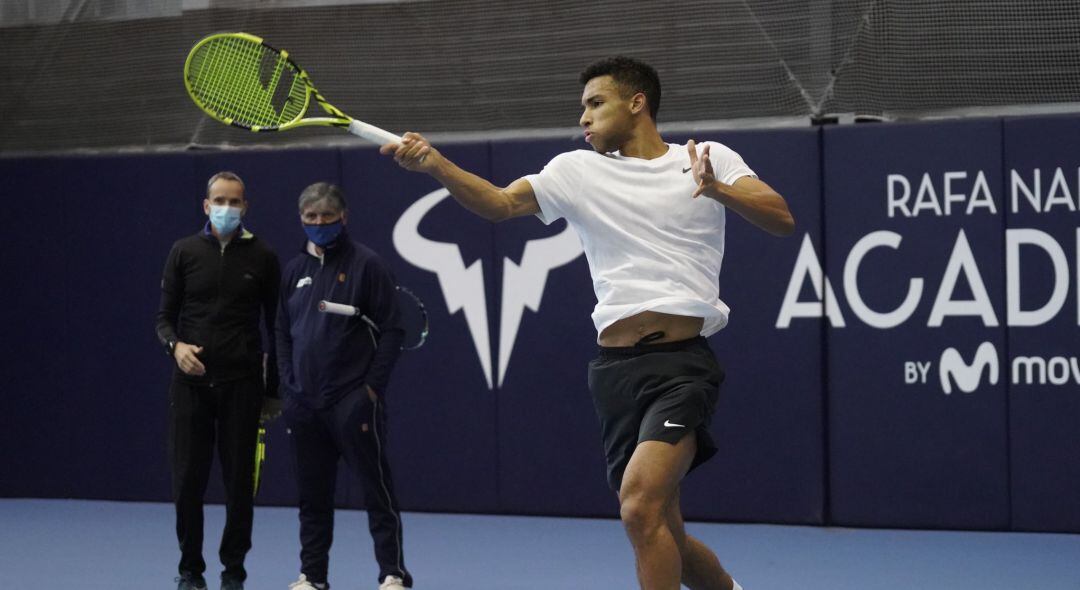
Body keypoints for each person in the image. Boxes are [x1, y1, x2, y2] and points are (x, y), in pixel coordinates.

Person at [380, 57, 794, 590]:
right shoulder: (575, 171)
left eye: (596, 104)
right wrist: (436, 164)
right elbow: (501, 204)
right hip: (614, 373)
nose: (584, 118)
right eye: (583, 108)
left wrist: (719, 191)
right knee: (661, 527)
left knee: (639, 509)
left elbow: (780, 217)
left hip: (681, 366)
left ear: (636, 103)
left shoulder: (706, 157)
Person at [276, 182, 413, 590]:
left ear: (343, 218)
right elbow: (282, 331)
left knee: (377, 491)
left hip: (353, 402)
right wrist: (288, 383)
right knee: (312, 498)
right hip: (304, 405)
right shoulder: (293, 271)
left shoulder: (368, 265)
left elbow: (392, 331)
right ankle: (312, 576)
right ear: (302, 220)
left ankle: (392, 574)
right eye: (310, 218)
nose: (319, 224)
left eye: (327, 217)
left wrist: (370, 389)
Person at [155, 171, 282, 590]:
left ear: (246, 207)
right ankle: (191, 571)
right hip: (190, 388)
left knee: (239, 487)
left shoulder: (263, 255)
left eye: (235, 201)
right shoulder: (183, 252)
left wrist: (272, 390)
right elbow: (163, 319)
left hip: (242, 387)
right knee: (188, 483)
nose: (227, 207)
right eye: (219, 200)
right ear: (206, 205)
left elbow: (275, 326)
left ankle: (233, 574)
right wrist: (176, 347)